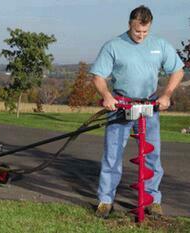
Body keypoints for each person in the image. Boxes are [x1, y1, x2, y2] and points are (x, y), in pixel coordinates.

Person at [90, 5, 184, 218]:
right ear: (129, 24)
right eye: (136, 31)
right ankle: (105, 200)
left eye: (145, 31)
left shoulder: (159, 45)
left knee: (152, 155)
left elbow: (177, 71)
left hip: (150, 107)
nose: (141, 36)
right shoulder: (114, 45)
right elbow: (97, 76)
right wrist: (107, 96)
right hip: (121, 106)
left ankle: (152, 199)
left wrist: (166, 95)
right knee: (112, 155)